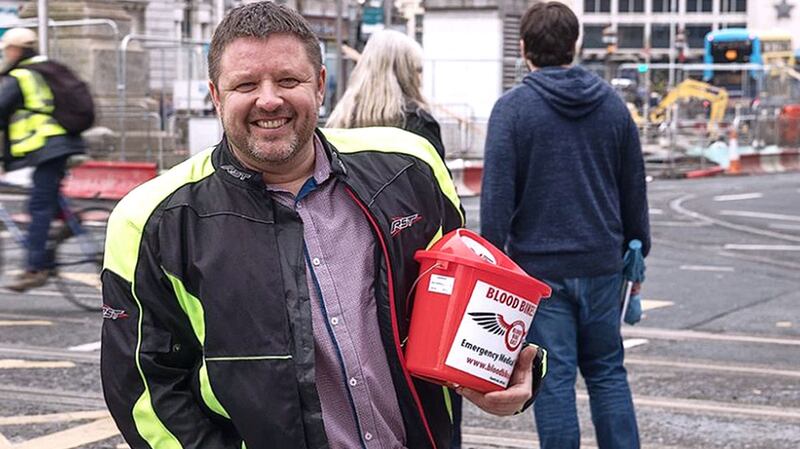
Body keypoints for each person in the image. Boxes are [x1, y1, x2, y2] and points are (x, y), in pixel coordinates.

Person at [101, 3, 544, 448]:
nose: (269, 99)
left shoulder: (410, 169)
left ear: (320, 86)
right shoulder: (152, 220)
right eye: (246, 84)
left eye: (288, 80)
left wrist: (513, 371)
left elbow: (473, 301)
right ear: (217, 96)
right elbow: (145, 389)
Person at [479, 3, 650, 449]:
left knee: (553, 381)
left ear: (523, 48)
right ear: (575, 45)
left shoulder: (513, 111)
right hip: (602, 264)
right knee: (608, 373)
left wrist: (493, 270)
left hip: (539, 273)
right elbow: (634, 189)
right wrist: (637, 252)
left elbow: (496, 204)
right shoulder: (613, 106)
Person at [0, 28, 86, 292]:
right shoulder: (47, 67)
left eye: (7, 50)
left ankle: (35, 268)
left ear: (15, 50)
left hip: (49, 147)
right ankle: (71, 222)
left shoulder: (21, 76)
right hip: (60, 143)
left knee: (39, 205)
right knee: (45, 198)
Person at [325, 29, 445, 159]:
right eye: (417, 69)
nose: (420, 78)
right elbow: (437, 175)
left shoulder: (341, 119)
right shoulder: (418, 122)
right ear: (405, 73)